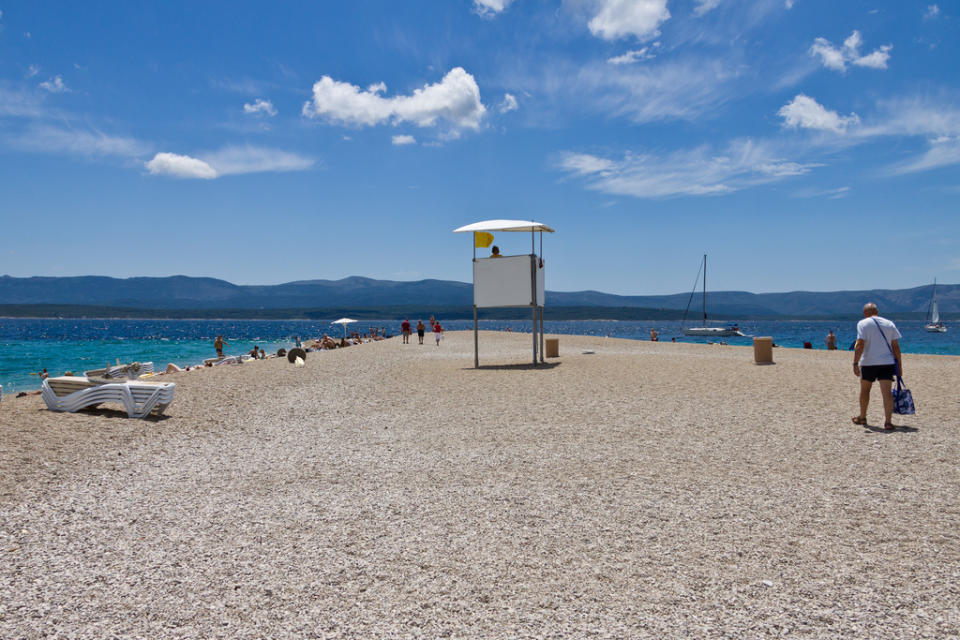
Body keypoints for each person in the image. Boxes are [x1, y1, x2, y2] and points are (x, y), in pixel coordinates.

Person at [852, 302, 902, 430]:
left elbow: (860, 344)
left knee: (865, 390)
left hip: (869, 362)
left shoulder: (862, 323)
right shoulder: (889, 323)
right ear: (877, 312)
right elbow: (895, 346)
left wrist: (855, 363)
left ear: (865, 313)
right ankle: (888, 422)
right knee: (886, 393)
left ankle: (862, 417)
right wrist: (900, 365)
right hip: (887, 363)